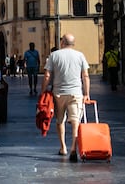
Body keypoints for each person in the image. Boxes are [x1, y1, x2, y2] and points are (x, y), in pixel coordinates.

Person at [40, 34, 90, 162]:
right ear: (73, 43)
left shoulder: (54, 55)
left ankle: (63, 147)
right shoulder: (80, 55)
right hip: (76, 93)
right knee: (75, 122)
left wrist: (43, 91)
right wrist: (86, 94)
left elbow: (47, 75)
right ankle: (74, 148)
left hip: (58, 93)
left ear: (62, 42)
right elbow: (85, 76)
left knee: (60, 120)